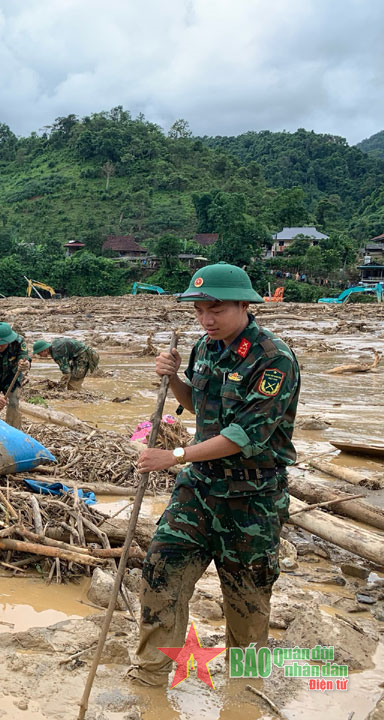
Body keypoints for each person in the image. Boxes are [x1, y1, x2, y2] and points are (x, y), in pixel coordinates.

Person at [127, 262, 300, 687]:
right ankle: (150, 675)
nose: (207, 319)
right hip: (199, 490)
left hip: (252, 499)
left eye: (217, 309)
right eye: (199, 309)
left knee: (248, 602)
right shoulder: (205, 348)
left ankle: (244, 693)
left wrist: (175, 455)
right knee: (160, 573)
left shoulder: (274, 359)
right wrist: (175, 379)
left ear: (244, 304)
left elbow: (242, 435)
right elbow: (200, 405)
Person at [32, 337, 100, 390]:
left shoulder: (57, 353)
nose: (39, 355)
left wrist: (60, 387)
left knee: (74, 382)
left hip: (85, 356)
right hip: (79, 356)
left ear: (45, 350)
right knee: (73, 379)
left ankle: (76, 403)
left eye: (39, 353)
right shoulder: (54, 345)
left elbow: (67, 373)